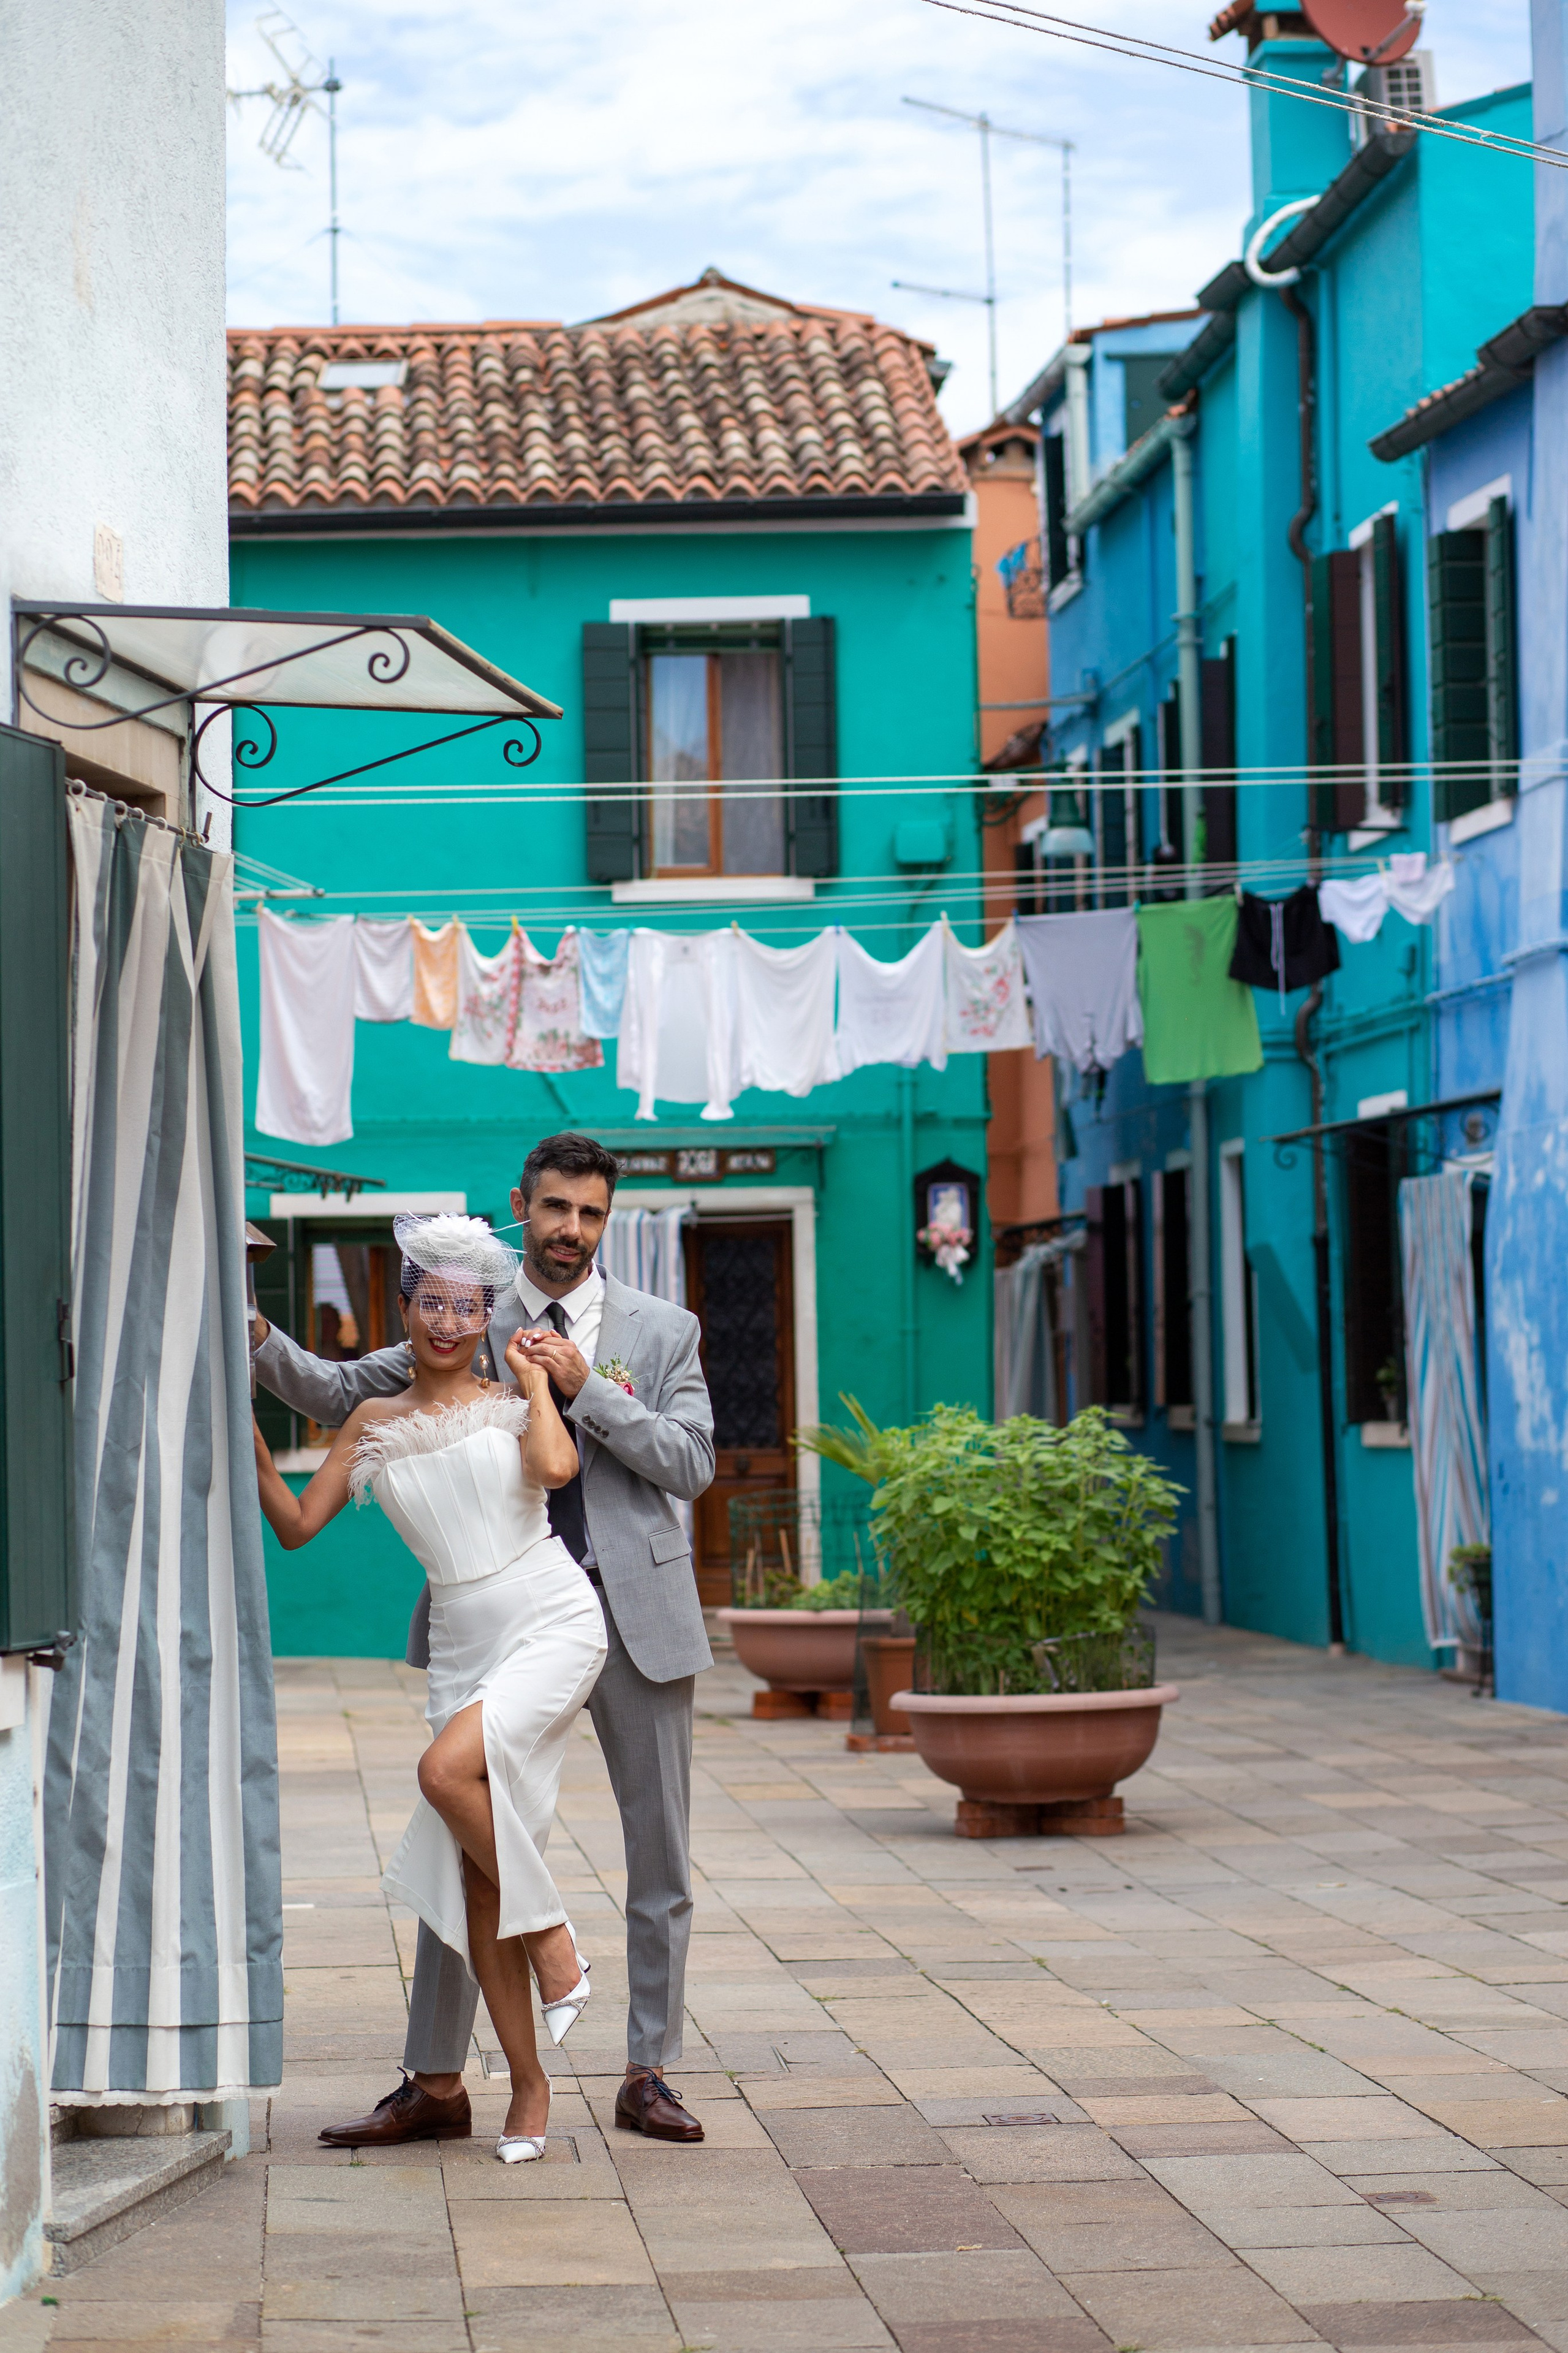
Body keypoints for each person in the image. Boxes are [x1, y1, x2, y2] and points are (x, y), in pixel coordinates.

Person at [251, 1133, 715, 2146]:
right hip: (483, 1621)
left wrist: (587, 1386)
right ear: (525, 1205)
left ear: (608, 1220)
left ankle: (650, 2070)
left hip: (628, 1615)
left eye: (591, 1214)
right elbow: (342, 1397)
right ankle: (437, 2079)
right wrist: (248, 1337)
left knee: (660, 1858)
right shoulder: (470, 1303)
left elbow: (690, 1466)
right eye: (555, 1209)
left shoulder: (661, 1330)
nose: (571, 1231)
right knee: (465, 1834)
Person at [254, 1213, 605, 2161]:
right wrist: (238, 1431)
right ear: (402, 1308)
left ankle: (557, 1946)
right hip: (461, 1645)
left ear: (487, 1314)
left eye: (466, 1307)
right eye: (430, 1304)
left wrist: (537, 1381)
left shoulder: (508, 1394)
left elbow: (558, 1467)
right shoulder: (372, 1422)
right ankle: (527, 2091)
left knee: (443, 1776)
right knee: (473, 1881)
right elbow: (295, 1525)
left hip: (550, 1616)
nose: (448, 1323)